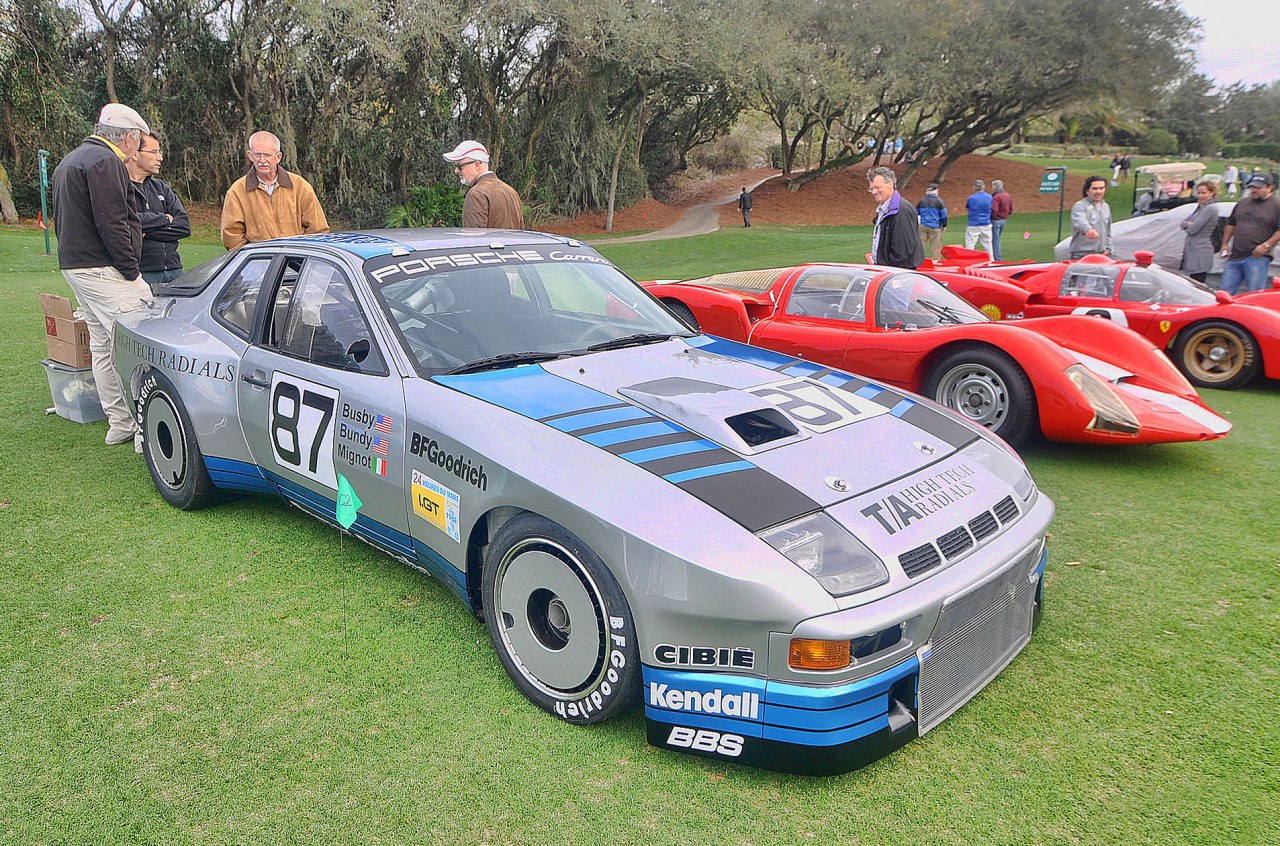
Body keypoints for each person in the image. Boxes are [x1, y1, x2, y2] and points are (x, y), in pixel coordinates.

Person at [51, 103, 150, 446]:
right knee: (137, 344)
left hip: (76, 266)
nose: (137, 151)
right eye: (138, 143)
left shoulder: (73, 160)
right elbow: (113, 223)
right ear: (126, 138)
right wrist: (131, 269)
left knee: (104, 346)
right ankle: (143, 429)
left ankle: (120, 422)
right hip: (103, 268)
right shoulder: (105, 162)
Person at [221, 130, 329, 250]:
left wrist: (301, 257)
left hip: (298, 262)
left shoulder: (300, 186)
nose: (262, 160)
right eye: (257, 155)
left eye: (267, 155)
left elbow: (318, 229)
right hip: (259, 263)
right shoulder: (237, 192)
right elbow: (232, 236)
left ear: (278, 157)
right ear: (250, 155)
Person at [125, 132, 190, 285]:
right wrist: (165, 219)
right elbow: (127, 222)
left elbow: (184, 226)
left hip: (175, 270)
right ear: (135, 154)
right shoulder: (121, 188)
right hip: (142, 273)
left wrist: (146, 232)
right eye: (154, 152)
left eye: (159, 152)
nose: (160, 157)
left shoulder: (161, 188)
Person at [1218, 174, 1280, 295]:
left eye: (1258, 187)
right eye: (1252, 187)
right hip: (1235, 256)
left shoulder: (1276, 205)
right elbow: (1231, 224)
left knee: (1255, 294)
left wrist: (1266, 245)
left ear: (1269, 188)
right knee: (1224, 293)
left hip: (1257, 257)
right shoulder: (1243, 203)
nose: (1254, 190)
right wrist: (1224, 244)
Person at [442, 140, 524, 229]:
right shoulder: (511, 191)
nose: (456, 171)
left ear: (477, 165)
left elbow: (474, 238)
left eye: (459, 166)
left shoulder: (476, 194)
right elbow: (520, 232)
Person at [866, 166, 924, 269]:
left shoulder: (901, 210)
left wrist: (888, 270)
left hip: (898, 275)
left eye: (878, 187)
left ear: (891, 184)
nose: (874, 192)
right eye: (872, 188)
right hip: (887, 271)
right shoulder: (885, 209)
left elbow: (902, 251)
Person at [1179, 180, 1220, 284]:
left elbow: (1193, 230)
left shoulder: (1210, 208)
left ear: (1212, 193)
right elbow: (1182, 223)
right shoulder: (1200, 207)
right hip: (1192, 248)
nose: (1200, 196)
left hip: (1201, 249)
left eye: (1204, 193)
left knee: (1197, 281)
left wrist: (1189, 224)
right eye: (1199, 193)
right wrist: (1188, 224)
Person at [1068, 176, 1112, 258]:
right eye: (1094, 188)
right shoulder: (1080, 206)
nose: (1098, 191)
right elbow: (1080, 221)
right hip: (1082, 256)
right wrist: (1088, 230)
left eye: (1101, 188)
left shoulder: (1106, 207)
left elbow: (1108, 231)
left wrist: (1108, 248)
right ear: (1087, 190)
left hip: (1101, 255)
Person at [916, 183, 947, 261]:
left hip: (922, 226)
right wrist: (944, 225)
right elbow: (943, 215)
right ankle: (935, 262)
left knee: (921, 245)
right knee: (935, 246)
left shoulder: (922, 201)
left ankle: (919, 260)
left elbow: (916, 213)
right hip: (935, 226)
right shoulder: (939, 202)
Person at [964, 179, 994, 255]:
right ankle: (990, 261)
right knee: (988, 245)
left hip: (973, 223)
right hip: (986, 223)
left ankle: (968, 261)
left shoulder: (971, 198)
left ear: (974, 187)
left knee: (970, 245)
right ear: (983, 187)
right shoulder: (989, 197)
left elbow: (968, 207)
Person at [990, 179, 1013, 261]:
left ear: (995, 187)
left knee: (995, 239)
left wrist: (993, 216)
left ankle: (997, 258)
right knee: (998, 238)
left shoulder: (996, 197)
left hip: (996, 220)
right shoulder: (1007, 195)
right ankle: (997, 256)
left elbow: (994, 209)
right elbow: (1010, 208)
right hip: (1004, 219)